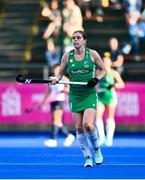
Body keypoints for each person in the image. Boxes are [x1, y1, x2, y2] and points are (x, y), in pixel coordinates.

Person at [49, 30, 106, 167]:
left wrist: (96, 78)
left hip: (89, 93)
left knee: (89, 125)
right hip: (74, 95)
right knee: (79, 128)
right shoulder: (67, 56)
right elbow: (60, 74)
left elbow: (103, 69)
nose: (75, 40)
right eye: (73, 38)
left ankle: (97, 149)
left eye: (78, 38)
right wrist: (55, 79)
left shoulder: (92, 54)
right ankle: (87, 157)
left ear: (84, 40)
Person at [38, 64, 75, 147]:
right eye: (55, 69)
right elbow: (48, 91)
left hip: (60, 101)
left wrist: (63, 90)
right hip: (53, 101)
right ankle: (69, 136)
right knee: (57, 121)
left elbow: (71, 89)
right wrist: (42, 102)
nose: (57, 70)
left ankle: (53, 139)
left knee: (56, 120)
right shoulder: (51, 79)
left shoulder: (64, 78)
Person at [96, 54, 125, 147]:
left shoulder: (114, 73)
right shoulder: (97, 72)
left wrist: (114, 85)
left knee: (110, 118)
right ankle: (101, 137)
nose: (105, 63)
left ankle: (109, 139)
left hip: (110, 96)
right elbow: (94, 83)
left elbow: (121, 84)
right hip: (100, 96)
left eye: (107, 61)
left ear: (110, 63)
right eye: (103, 61)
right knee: (97, 117)